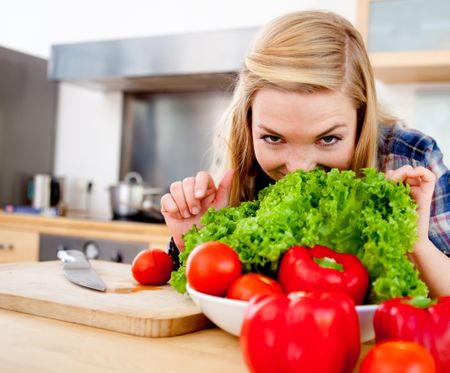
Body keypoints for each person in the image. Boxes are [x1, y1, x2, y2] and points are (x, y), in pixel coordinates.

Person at [160, 10, 450, 297]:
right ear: (248, 124)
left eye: (327, 138)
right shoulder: (242, 171)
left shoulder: (411, 159)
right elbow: (225, 299)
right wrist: (197, 242)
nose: (299, 168)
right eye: (273, 137)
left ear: (361, 120)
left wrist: (417, 244)